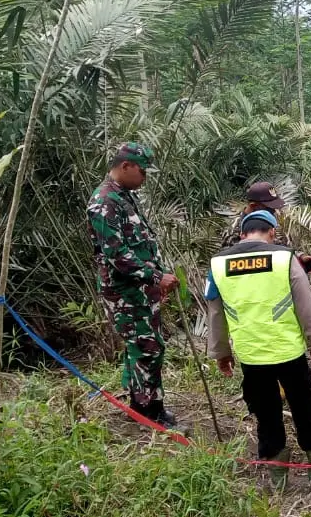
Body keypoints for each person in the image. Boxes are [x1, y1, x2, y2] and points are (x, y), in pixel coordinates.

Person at [205, 210, 311, 488]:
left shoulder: (218, 264)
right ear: (272, 233)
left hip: (251, 356)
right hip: (289, 351)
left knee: (266, 413)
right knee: (303, 407)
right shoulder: (284, 258)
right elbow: (305, 305)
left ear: (242, 234)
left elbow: (216, 313)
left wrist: (221, 352)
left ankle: (278, 479)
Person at [87, 142, 179, 426]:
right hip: (126, 292)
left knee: (142, 346)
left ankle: (143, 404)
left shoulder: (123, 196)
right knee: (147, 347)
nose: (145, 178)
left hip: (139, 290)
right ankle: (148, 412)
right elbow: (116, 255)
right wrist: (155, 277)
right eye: (142, 171)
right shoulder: (104, 201)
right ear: (125, 166)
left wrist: (156, 279)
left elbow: (138, 245)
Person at [221, 181, 311, 273]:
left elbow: (281, 246)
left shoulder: (271, 222)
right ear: (254, 206)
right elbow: (232, 261)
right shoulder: (234, 229)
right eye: (269, 208)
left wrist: (299, 259)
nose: (274, 211)